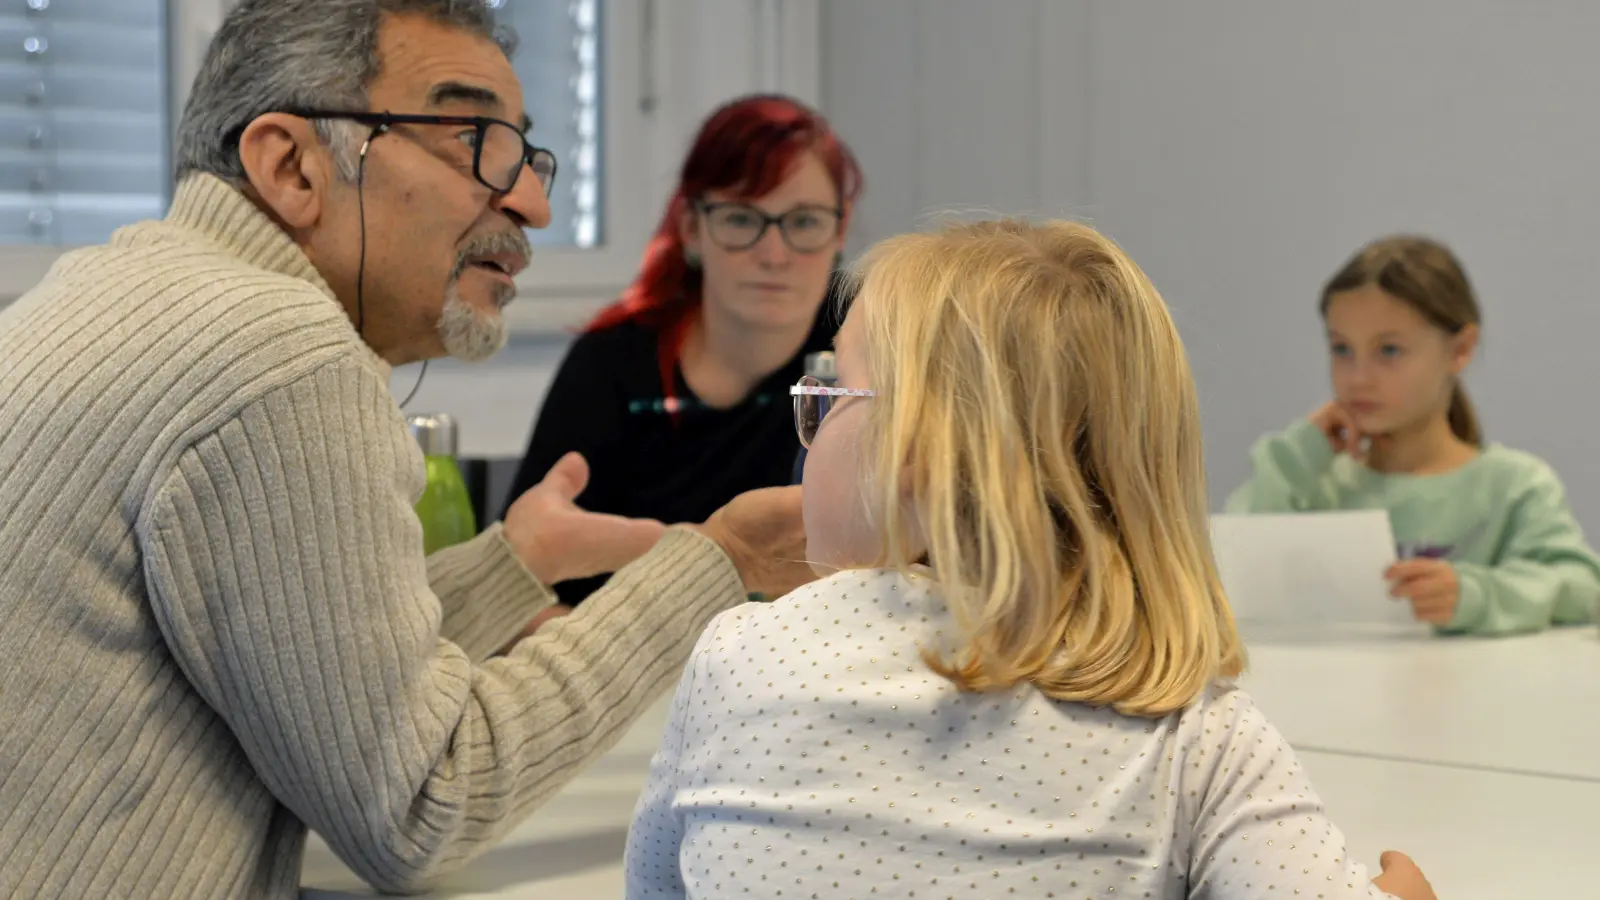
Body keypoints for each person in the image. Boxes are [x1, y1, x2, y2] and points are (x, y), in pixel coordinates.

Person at [0, 2, 812, 898]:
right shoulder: (275, 353)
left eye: (524, 153)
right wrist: (720, 560)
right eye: (473, 139)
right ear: (290, 165)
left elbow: (313, 675)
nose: (533, 202)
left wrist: (512, 567)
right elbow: (423, 802)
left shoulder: (134, 287)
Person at [621, 219, 1436, 899]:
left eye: (833, 392)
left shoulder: (739, 653)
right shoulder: (1193, 731)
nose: (813, 422)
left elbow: (656, 888)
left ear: (915, 450)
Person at [503, 94, 863, 609]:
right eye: (742, 220)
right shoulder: (613, 364)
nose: (774, 254)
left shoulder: (868, 346)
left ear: (840, 229)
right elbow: (517, 595)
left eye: (803, 222)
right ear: (692, 229)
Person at [1226, 236, 1600, 635]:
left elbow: (1582, 589)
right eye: (1341, 349)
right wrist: (1298, 454)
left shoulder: (1514, 486)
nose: (1358, 378)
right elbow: (1230, 568)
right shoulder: (1316, 486)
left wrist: (1476, 596)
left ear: (1461, 349)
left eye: (1388, 350)